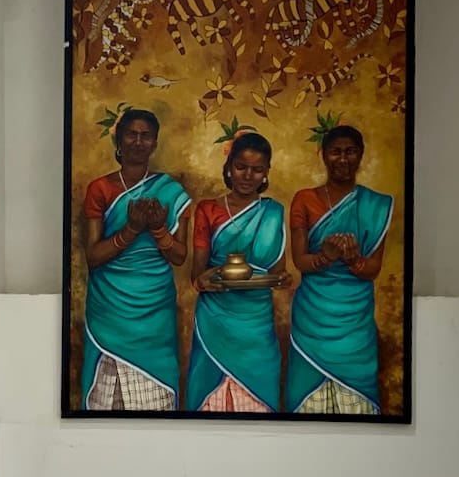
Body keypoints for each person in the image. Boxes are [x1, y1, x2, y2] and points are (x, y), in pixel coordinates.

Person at [81, 109, 190, 410]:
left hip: (154, 315)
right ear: (119, 138)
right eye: (132, 134)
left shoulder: (170, 191)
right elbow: (93, 256)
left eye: (146, 136)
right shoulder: (100, 189)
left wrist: (157, 228)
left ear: (155, 143)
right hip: (109, 310)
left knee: (155, 404)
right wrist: (130, 229)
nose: (138, 142)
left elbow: (180, 256)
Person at [285, 125, 394, 415]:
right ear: (323, 156)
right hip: (312, 320)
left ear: (361, 155)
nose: (343, 159)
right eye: (335, 152)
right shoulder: (304, 200)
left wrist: (353, 259)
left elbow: (372, 269)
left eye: (350, 152)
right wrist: (326, 256)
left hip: (354, 326)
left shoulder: (376, 204)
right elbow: (301, 261)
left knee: (356, 405)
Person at [187, 132, 289, 412]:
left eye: (257, 170)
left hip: (257, 326)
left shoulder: (274, 212)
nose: (248, 175)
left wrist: (283, 279)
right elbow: (197, 275)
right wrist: (206, 279)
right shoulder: (208, 210)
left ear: (266, 173)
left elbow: (278, 272)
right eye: (241, 167)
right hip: (214, 321)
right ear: (229, 167)